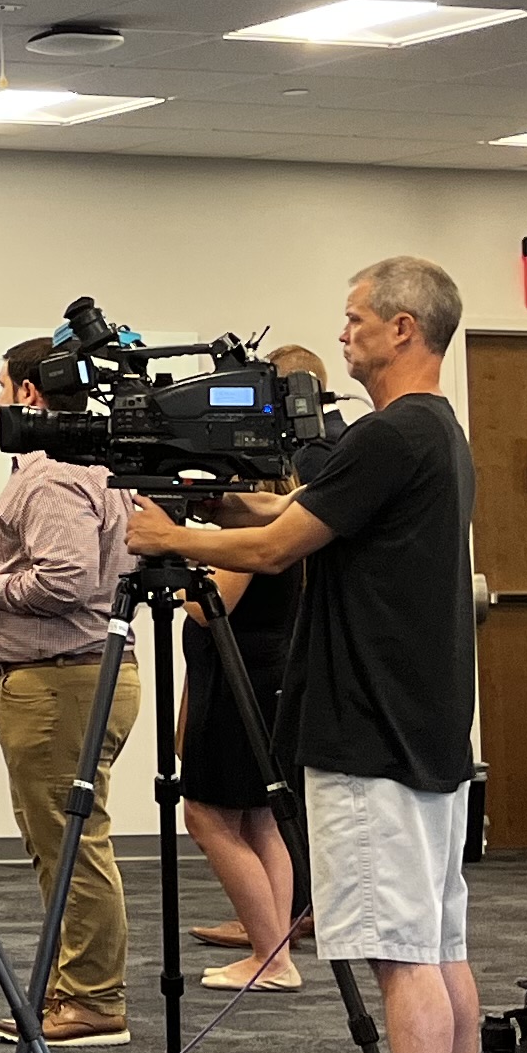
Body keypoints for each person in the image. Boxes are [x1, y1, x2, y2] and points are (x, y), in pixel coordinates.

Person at [131, 257, 489, 1053]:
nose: (345, 336)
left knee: (396, 954)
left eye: (357, 320)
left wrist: (174, 535)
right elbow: (297, 522)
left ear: (404, 329)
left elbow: (278, 548)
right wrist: (228, 508)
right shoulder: (433, 435)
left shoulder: (389, 432)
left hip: (367, 729)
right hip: (422, 726)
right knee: (439, 944)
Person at [0, 337, 142, 1049]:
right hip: (78, 675)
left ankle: (91, 1000)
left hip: (62, 680)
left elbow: (67, 579)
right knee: (64, 840)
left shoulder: (53, 475)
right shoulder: (93, 465)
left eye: (2, 386)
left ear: (30, 393)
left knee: (70, 844)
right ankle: (77, 989)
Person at [175, 341, 337, 992]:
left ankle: (270, 955)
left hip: (244, 675)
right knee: (259, 817)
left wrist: (173, 560)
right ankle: (274, 947)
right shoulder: (287, 489)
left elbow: (212, 603)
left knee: (208, 816)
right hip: (251, 672)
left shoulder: (256, 497)